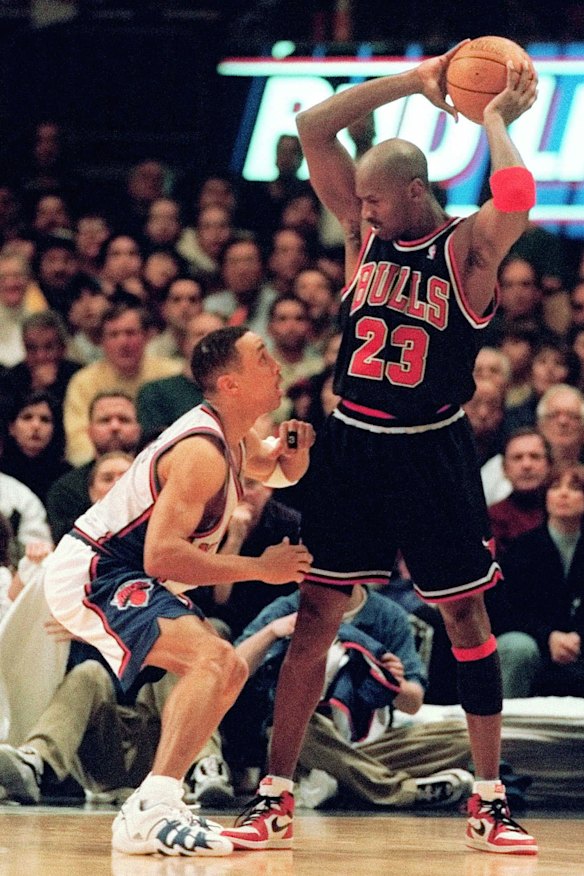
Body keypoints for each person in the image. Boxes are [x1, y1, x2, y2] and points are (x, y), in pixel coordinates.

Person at [221, 44, 539, 855]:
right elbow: (312, 123)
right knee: (314, 617)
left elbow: (518, 194)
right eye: (355, 201)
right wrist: (416, 80)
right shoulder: (365, 238)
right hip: (354, 444)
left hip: (432, 448)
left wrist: (494, 117)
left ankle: (490, 798)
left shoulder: (467, 251)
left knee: (466, 613)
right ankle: (275, 793)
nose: (357, 211)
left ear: (414, 192)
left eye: (372, 199)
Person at [42, 325, 315, 857]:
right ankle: (151, 808)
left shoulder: (234, 438)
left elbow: (277, 471)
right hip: (97, 570)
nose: (277, 364)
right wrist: (262, 568)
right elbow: (161, 556)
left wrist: (294, 453)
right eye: (263, 357)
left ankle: (156, 801)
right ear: (231, 383)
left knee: (228, 666)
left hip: (131, 573)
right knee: (212, 660)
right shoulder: (202, 453)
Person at [497, 464, 584, 698]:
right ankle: (504, 728)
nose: (564, 494)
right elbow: (506, 611)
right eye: (555, 487)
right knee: (518, 647)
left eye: (575, 488)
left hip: (578, 644)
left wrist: (578, 636)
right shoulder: (522, 549)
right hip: (533, 640)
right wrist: (549, 637)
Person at [46, 391, 141, 544]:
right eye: (105, 420)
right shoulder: (64, 489)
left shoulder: (156, 479)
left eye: (124, 420)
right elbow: (65, 542)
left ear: (138, 429)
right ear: (89, 431)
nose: (115, 426)